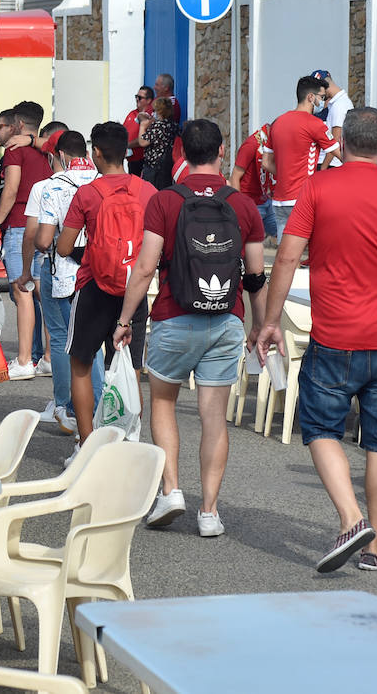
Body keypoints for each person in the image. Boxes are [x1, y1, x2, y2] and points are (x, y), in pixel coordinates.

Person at [256, 107, 377, 573]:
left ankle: (351, 516)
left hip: (334, 338)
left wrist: (271, 320)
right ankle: (373, 548)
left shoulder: (317, 188)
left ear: (340, 146)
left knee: (319, 429)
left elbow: (285, 260)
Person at [116, 120, 267, 538]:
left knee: (163, 402)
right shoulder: (243, 205)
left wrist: (125, 320)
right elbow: (255, 276)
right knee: (213, 416)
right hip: (226, 320)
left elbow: (146, 268)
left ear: (182, 152)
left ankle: (172, 491)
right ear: (222, 150)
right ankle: (211, 513)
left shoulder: (165, 200)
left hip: (173, 315)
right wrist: (260, 325)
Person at [57, 121, 157, 445]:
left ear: (96, 152)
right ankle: (125, 442)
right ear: (127, 152)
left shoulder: (87, 194)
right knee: (129, 369)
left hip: (93, 289)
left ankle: (87, 444)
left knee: (81, 364)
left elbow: (63, 247)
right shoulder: (148, 192)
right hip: (134, 291)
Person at [30, 128, 103, 433]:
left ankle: (67, 406)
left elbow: (44, 240)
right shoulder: (104, 181)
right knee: (94, 343)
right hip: (100, 272)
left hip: (63, 273)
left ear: (59, 155)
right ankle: (100, 411)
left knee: (61, 339)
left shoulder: (51, 186)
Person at [0, 104, 49, 380]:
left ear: (18, 125)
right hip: (45, 225)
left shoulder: (14, 150)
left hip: (19, 224)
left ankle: (24, 360)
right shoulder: (47, 150)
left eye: (1, 126)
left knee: (21, 291)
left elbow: (11, 189)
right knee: (42, 292)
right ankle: (47, 357)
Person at [263, 76, 340, 238]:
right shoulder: (315, 124)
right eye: (322, 98)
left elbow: (266, 163)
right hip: (301, 199)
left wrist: (286, 173)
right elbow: (341, 155)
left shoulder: (278, 122)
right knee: (316, 251)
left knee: (286, 255)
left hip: (279, 201)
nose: (324, 102)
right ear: (310, 97)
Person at [229, 121, 277, 241]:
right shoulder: (251, 145)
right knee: (249, 243)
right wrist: (240, 207)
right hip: (250, 203)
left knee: (285, 234)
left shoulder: (270, 144)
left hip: (266, 200)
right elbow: (235, 176)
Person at [137, 96, 181, 189]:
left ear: (159, 111)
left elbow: (142, 142)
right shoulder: (174, 125)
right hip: (168, 166)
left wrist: (142, 126)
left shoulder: (158, 126)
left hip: (155, 168)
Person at [312, 70, 352, 144]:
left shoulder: (339, 105)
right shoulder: (337, 103)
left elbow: (335, 143)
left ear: (322, 86)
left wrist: (326, 156)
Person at [122, 85, 154, 177]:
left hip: (141, 160)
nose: (137, 99)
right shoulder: (132, 113)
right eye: (136, 97)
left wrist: (127, 145)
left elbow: (144, 138)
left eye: (140, 98)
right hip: (131, 160)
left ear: (148, 100)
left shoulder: (149, 117)